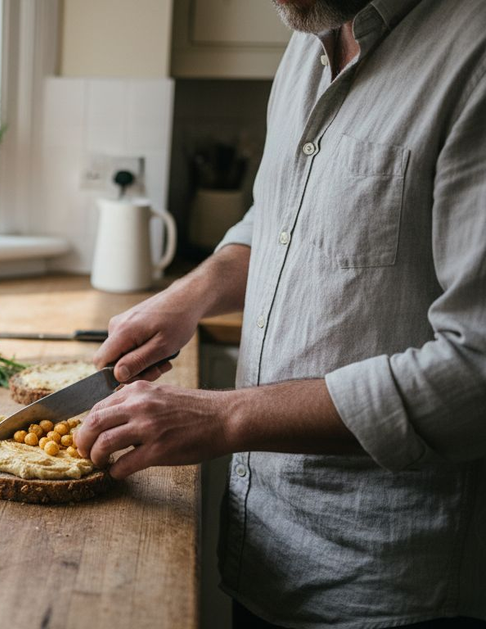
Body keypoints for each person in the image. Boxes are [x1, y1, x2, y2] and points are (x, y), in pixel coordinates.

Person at [75, 0, 486, 626]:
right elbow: (280, 215)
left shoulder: (473, 52)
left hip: (390, 586)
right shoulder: (311, 30)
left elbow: (474, 375)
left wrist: (226, 417)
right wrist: (195, 292)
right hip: (262, 549)